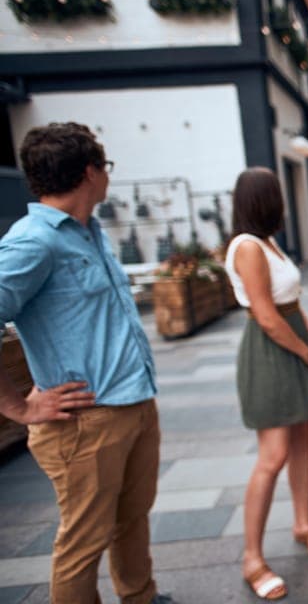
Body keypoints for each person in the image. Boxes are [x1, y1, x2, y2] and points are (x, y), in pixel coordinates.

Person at [0, 122, 172, 604]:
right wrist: (18, 408)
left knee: (131, 518)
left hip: (133, 405)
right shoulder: (35, 241)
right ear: (90, 173)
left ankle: (140, 596)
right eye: (106, 167)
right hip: (85, 424)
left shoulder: (88, 232)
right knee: (83, 543)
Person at [224, 167, 308, 601]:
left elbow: (291, 302)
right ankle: (252, 558)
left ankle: (303, 523)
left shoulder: (268, 243)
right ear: (266, 199)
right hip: (272, 353)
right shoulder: (247, 247)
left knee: (302, 439)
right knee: (273, 456)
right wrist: (304, 351)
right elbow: (266, 316)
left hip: (294, 343)